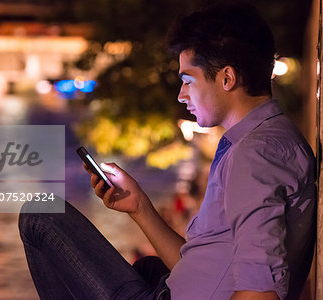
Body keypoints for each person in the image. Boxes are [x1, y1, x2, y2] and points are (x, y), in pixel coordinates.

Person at [19, 2, 316, 299]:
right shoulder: (265, 138)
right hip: (177, 289)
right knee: (148, 267)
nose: (181, 94)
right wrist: (140, 207)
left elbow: (259, 292)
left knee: (38, 214)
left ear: (227, 78)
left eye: (188, 80)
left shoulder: (254, 156)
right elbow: (206, 269)